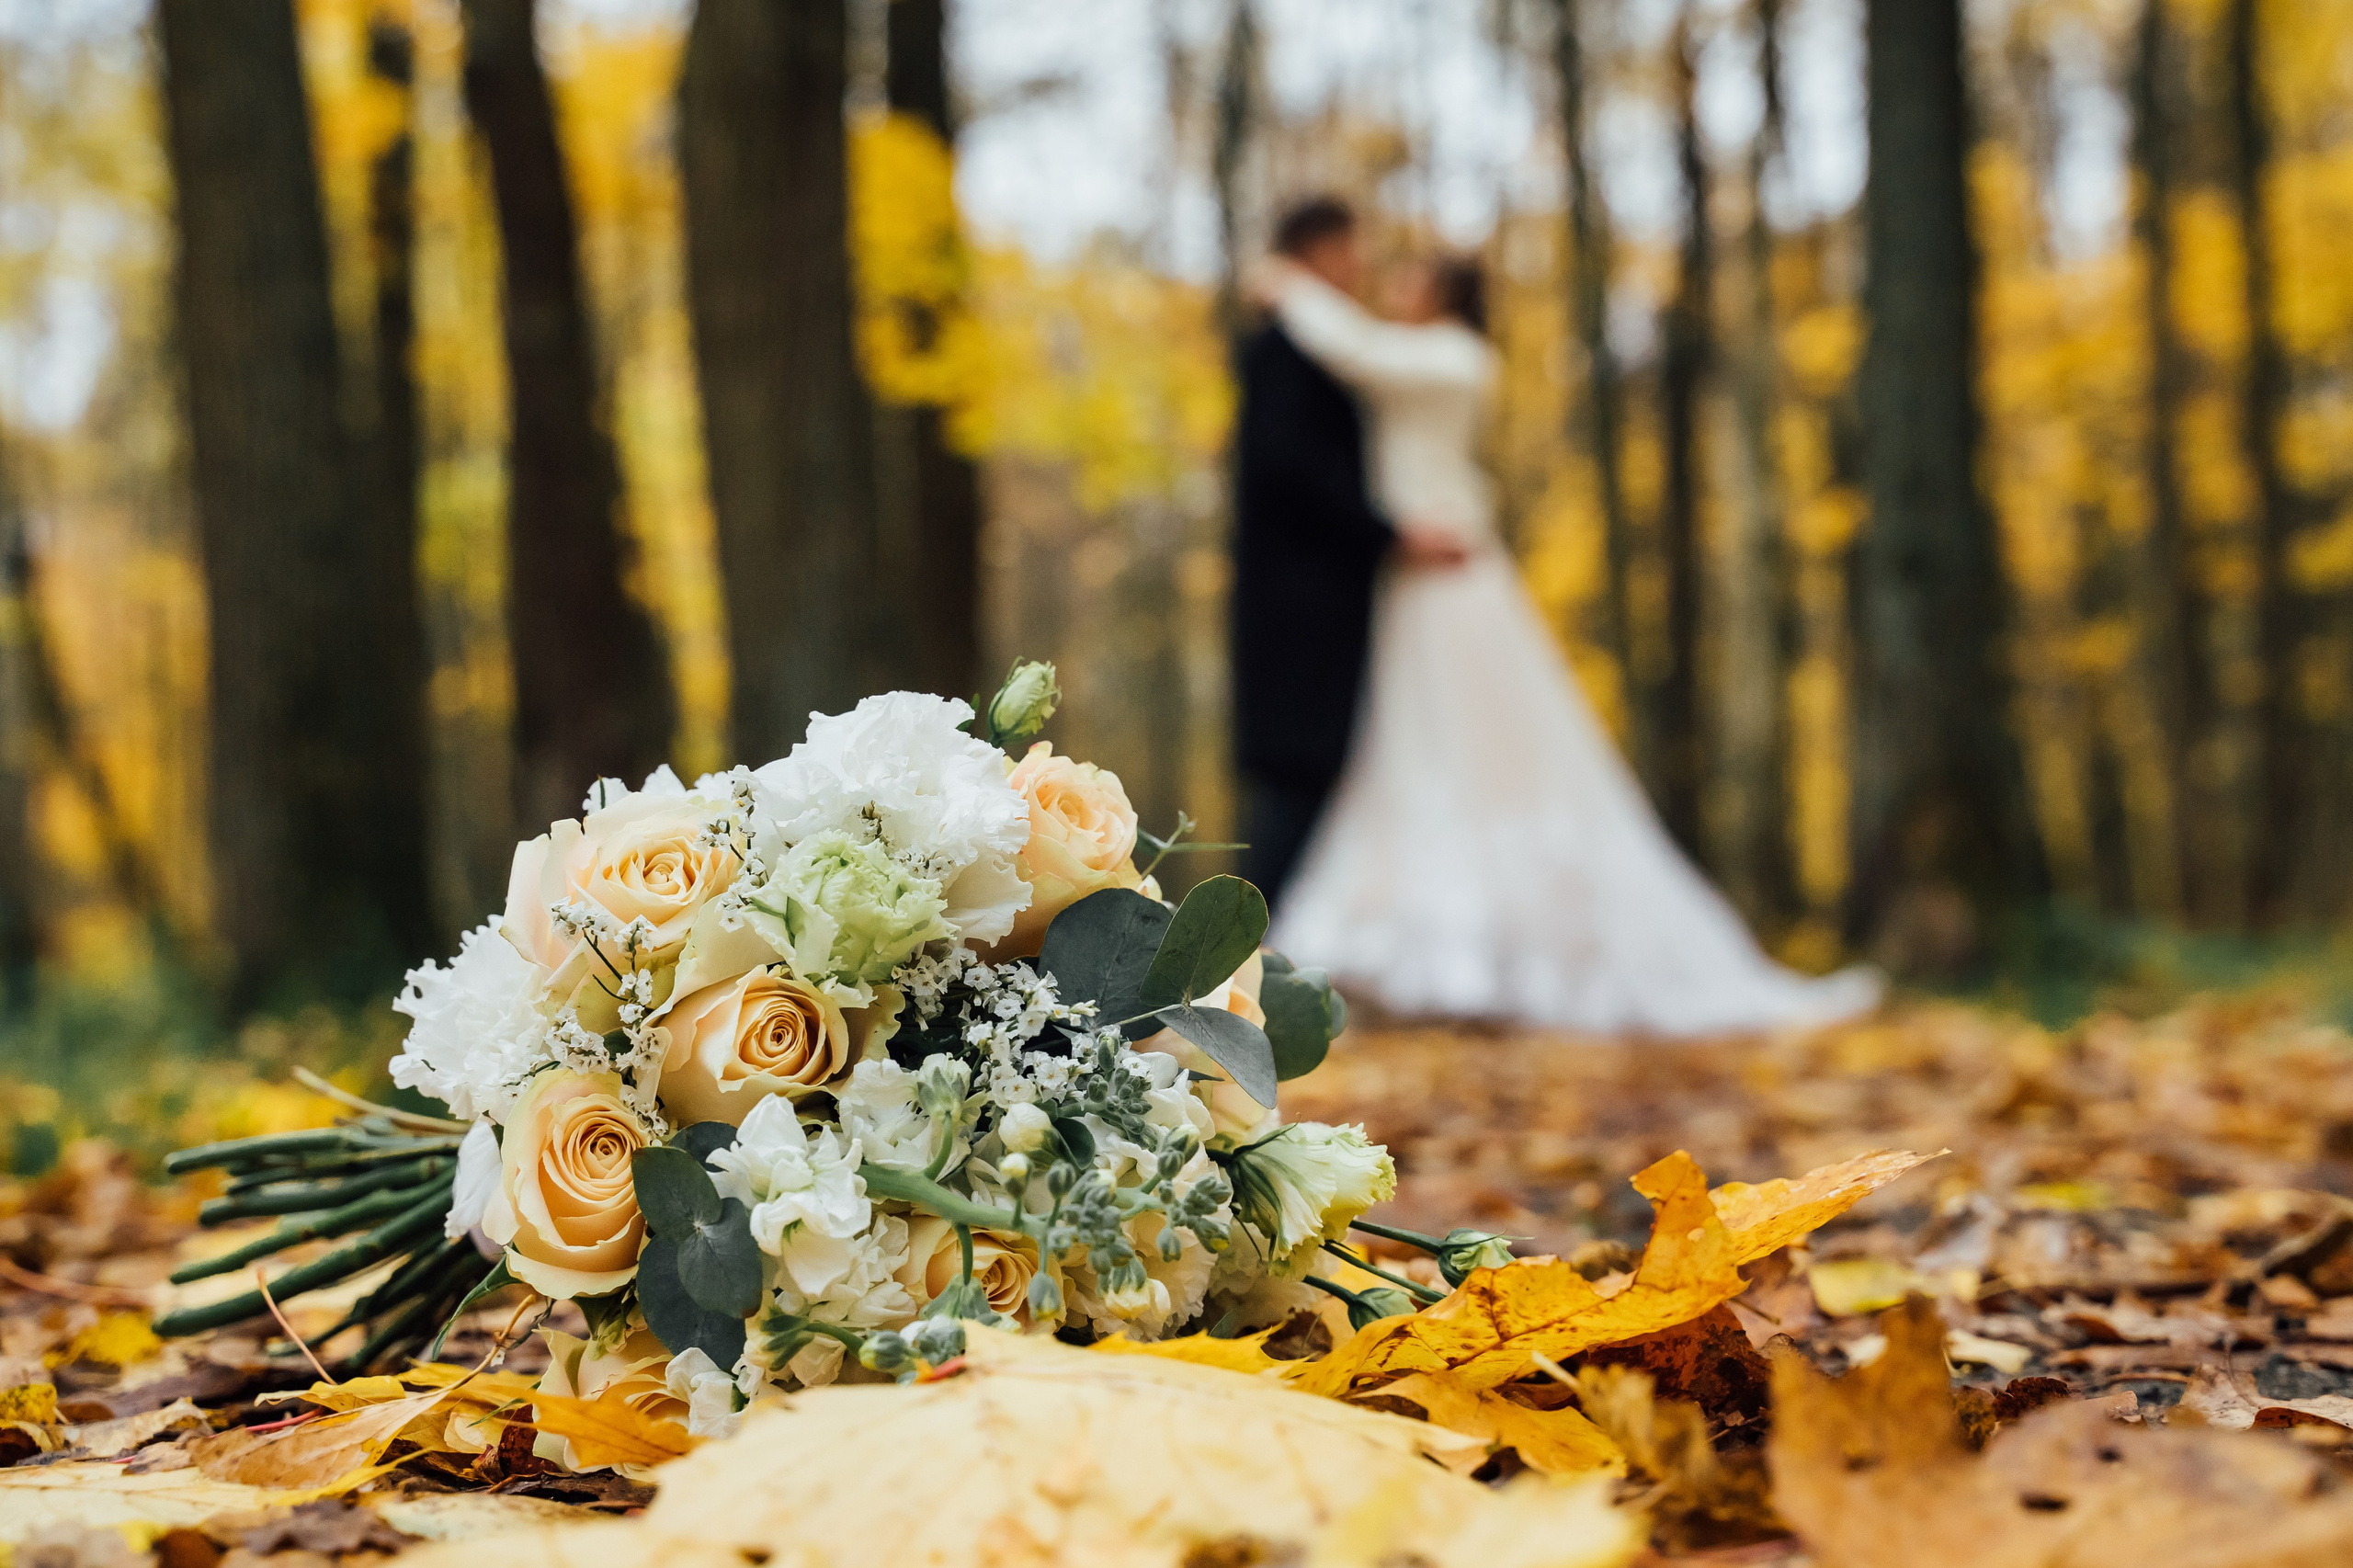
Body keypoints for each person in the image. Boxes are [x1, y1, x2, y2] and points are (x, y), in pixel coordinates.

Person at [1251, 244, 1880, 1035]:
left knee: (1478, 751)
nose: (1397, 286)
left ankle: (1493, 956)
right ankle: (1424, 956)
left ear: (1448, 292)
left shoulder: (1454, 355)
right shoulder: (1424, 356)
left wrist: (1292, 285)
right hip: (1408, 582)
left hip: (1450, 577)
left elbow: (1358, 349)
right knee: (1412, 750)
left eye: (1412, 276)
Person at [1229, 198, 1469, 909]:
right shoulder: (1287, 351)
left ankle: (1258, 952)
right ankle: (1227, 956)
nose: (1363, 267)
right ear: (1320, 250)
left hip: (1334, 603)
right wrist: (1390, 534)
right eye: (1353, 249)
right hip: (1300, 609)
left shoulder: (1329, 346)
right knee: (1298, 777)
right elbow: (1295, 471)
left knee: (1318, 777)